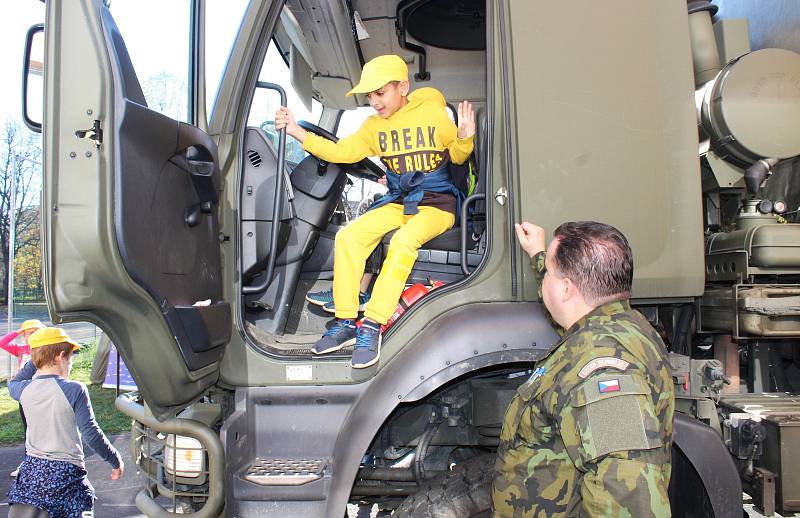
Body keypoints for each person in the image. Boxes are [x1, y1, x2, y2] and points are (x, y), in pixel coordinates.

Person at [276, 54, 475, 368]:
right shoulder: (372, 127)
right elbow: (341, 152)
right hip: (401, 201)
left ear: (403, 87)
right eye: (369, 95)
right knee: (349, 236)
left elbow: (459, 158)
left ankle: (373, 323)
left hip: (438, 204)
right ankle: (345, 322)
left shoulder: (433, 114)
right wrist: (297, 132)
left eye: (380, 93)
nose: (374, 101)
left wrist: (464, 137)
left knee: (403, 242)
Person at [492, 221, 674, 517]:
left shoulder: (603, 373)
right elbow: (570, 305)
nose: (544, 280)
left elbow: (627, 494)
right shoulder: (619, 323)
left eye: (548, 273)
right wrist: (540, 256)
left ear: (566, 287)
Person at [7, 327, 123, 518]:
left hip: (31, 475)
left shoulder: (22, 389)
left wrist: (38, 358)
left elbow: (15, 381)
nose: (70, 364)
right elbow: (90, 432)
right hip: (66, 475)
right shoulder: (75, 389)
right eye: (71, 358)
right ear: (62, 356)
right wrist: (115, 459)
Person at [1, 319, 45, 477]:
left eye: (35, 332)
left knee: (41, 429)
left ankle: (43, 461)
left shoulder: (43, 349)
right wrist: (18, 332)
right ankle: (28, 462)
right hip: (25, 395)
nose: (31, 335)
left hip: (40, 394)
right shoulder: (21, 349)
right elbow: (3, 342)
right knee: (28, 430)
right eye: (28, 333)